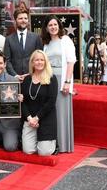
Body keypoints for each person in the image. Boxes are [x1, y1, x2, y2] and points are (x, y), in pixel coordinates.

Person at [41, 15, 76, 153]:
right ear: (46, 28)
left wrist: (67, 82)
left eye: (55, 24)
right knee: (51, 112)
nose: (53, 27)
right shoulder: (46, 43)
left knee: (61, 113)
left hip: (62, 80)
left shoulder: (65, 40)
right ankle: (52, 144)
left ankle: (62, 145)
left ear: (59, 26)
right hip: (49, 80)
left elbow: (71, 62)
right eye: (50, 25)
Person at [21, 50, 58, 156]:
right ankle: (37, 140)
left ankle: (50, 143)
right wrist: (30, 119)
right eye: (36, 60)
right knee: (28, 151)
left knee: (44, 152)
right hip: (30, 119)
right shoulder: (27, 79)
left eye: (42, 60)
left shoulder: (52, 78)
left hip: (46, 118)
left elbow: (51, 102)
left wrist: (37, 118)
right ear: (32, 62)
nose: (39, 62)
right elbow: (22, 102)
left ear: (46, 62)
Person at [4, 8, 43, 82]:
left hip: (33, 77)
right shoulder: (9, 39)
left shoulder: (36, 37)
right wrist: (15, 75)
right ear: (15, 20)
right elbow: (7, 60)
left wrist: (31, 73)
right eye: (20, 18)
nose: (23, 20)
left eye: (25, 18)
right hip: (14, 79)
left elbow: (40, 58)